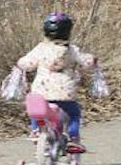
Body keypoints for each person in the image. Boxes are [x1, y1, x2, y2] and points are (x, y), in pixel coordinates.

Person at [16, 11, 99, 152]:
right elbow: (86, 61)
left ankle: (36, 130)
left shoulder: (40, 48)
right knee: (74, 113)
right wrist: (92, 59)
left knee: (37, 112)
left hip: (41, 92)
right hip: (65, 93)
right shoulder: (71, 49)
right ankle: (73, 137)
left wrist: (20, 63)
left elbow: (28, 64)